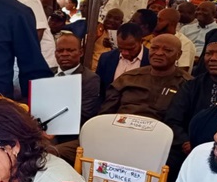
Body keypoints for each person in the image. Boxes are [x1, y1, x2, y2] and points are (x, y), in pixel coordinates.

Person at [164, 29, 217, 182]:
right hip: (188, 148)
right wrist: (186, 142)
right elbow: (173, 119)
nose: (213, 58)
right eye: (209, 53)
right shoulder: (193, 85)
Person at [100, 34, 192, 121]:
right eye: (154, 48)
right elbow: (105, 114)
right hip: (122, 128)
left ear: (179, 55)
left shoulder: (188, 84)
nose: (159, 53)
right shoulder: (127, 78)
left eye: (167, 50)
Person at [51, 32, 101, 164]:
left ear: (81, 52)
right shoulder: (47, 73)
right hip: (42, 130)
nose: (64, 54)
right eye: (60, 50)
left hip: (72, 136)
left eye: (70, 50)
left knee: (47, 152)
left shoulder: (89, 79)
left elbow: (85, 114)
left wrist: (53, 129)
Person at [96, 23, 150, 93]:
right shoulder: (106, 58)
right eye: (121, 48)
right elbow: (99, 89)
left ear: (141, 41)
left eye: (130, 49)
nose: (125, 53)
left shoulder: (151, 60)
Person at [154, 8, 195, 72]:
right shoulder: (155, 38)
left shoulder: (184, 43)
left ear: (172, 23)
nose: (156, 23)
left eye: (160, 20)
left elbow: (181, 73)